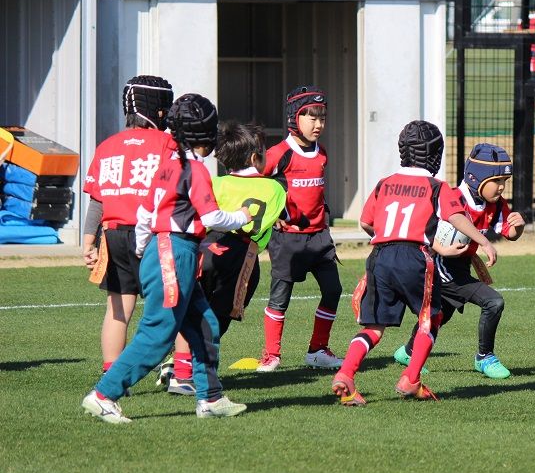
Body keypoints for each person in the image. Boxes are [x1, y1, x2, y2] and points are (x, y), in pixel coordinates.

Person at [81, 94, 252, 424]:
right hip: (175, 253)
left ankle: (210, 398)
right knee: (158, 333)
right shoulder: (195, 169)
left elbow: (145, 215)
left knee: (204, 325)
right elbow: (213, 218)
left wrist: (144, 251)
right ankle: (103, 395)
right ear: (207, 134)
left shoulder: (166, 167)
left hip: (162, 251)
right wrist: (241, 216)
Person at [331, 121, 499, 405]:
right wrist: (483, 241)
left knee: (374, 327)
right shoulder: (437, 187)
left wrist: (391, 239)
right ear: (435, 154)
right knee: (430, 320)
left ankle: (346, 374)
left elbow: (366, 222)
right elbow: (456, 217)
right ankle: (410, 379)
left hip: (380, 257)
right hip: (414, 259)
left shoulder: (384, 183)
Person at [393, 143, 524, 379]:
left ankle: (408, 352)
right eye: (496, 180)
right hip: (441, 264)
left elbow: (509, 233)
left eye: (505, 180)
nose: (502, 186)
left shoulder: (496, 204)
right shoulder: (452, 198)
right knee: (493, 302)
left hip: (461, 265)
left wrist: (519, 226)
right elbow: (421, 230)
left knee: (441, 314)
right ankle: (484, 357)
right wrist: (442, 249)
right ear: (476, 178)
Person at [82, 75, 173, 380]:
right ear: (158, 110)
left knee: (118, 308)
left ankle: (112, 374)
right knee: (173, 303)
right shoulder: (167, 144)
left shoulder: (107, 146)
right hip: (151, 235)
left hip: (112, 235)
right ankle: (179, 369)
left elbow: (97, 200)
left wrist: (88, 243)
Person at [257, 87, 344, 373]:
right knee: (280, 298)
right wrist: (273, 216)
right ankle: (271, 355)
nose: (318, 124)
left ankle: (317, 350)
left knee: (333, 290)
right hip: (288, 240)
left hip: (320, 237)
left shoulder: (322, 154)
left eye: (322, 118)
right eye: (312, 118)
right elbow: (256, 184)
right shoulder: (277, 154)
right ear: (295, 118)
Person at [201, 122, 286, 338]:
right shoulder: (275, 188)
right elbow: (285, 215)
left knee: (194, 309)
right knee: (218, 319)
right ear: (255, 158)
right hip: (243, 256)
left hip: (206, 249)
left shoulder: (215, 183)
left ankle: (180, 352)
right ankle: (197, 354)